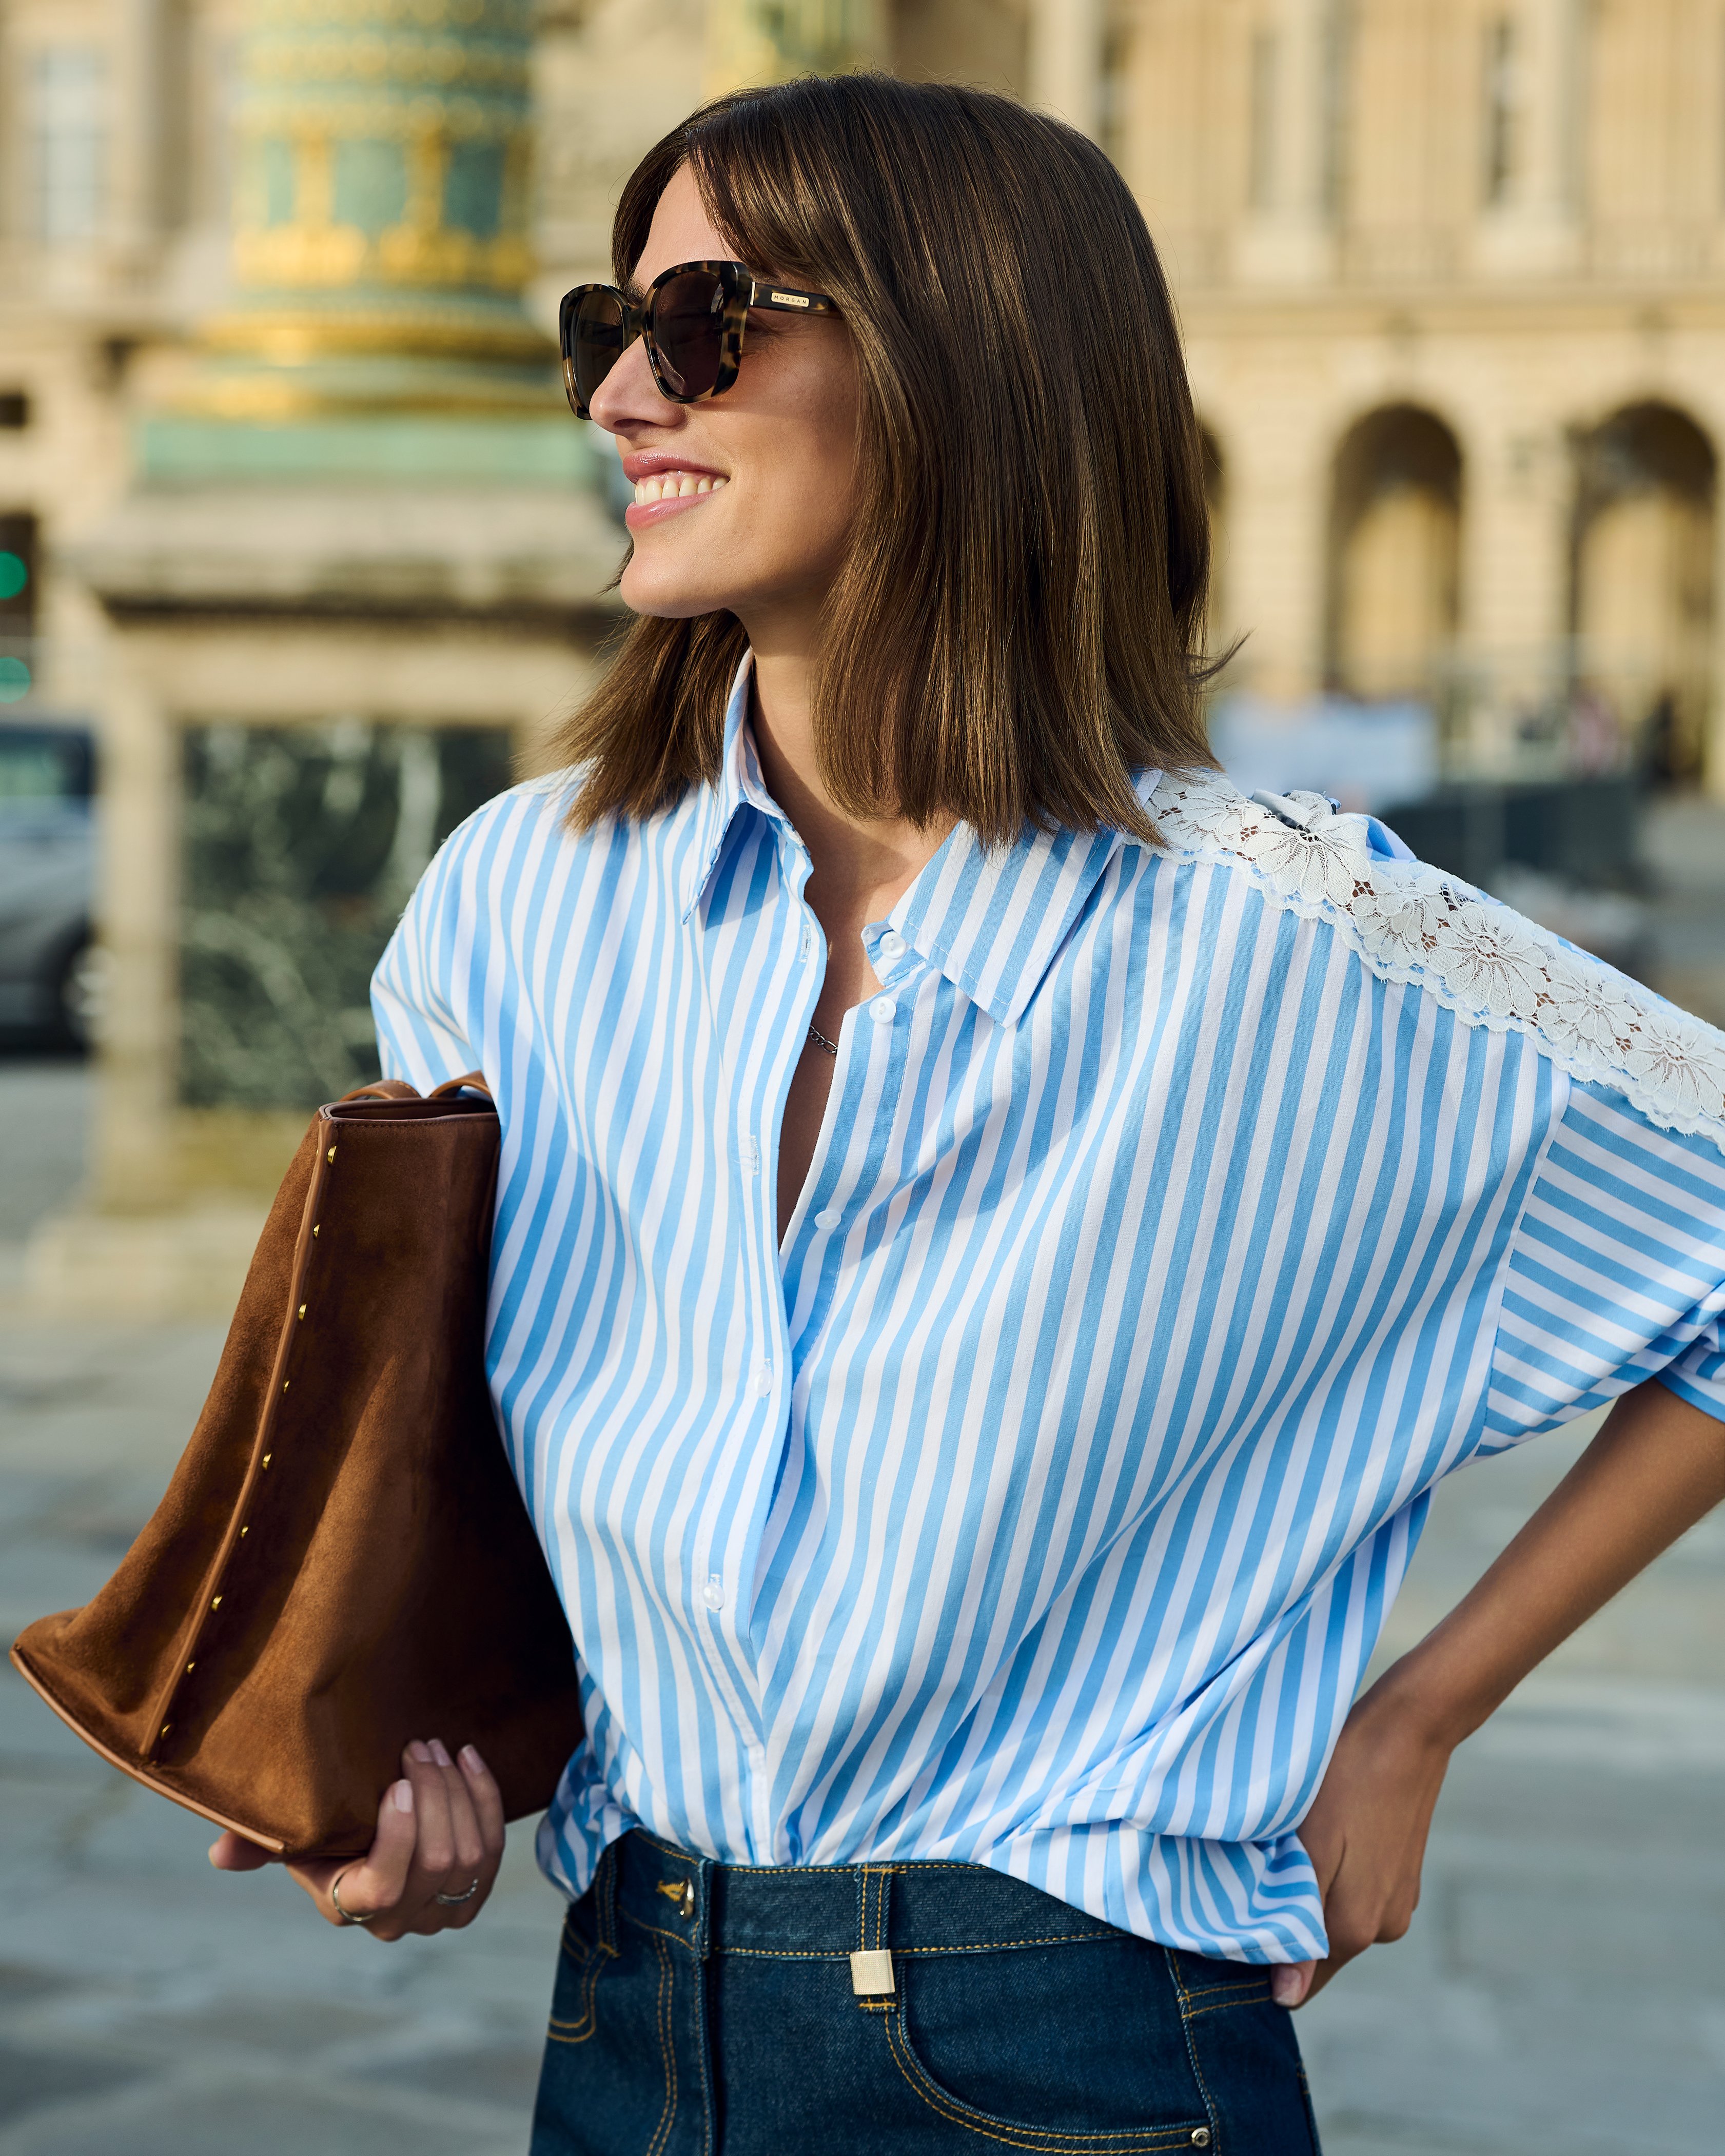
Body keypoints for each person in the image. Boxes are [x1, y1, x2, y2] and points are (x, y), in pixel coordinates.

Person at [211, 74, 1725, 2155]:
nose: (624, 400)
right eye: (608, 330)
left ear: (959, 357)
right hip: (629, 2030)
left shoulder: (1296, 943)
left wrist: (1421, 1710)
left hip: (1071, 2046)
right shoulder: (516, 899)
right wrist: (414, 1763)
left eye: (710, 321)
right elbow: (481, 1448)